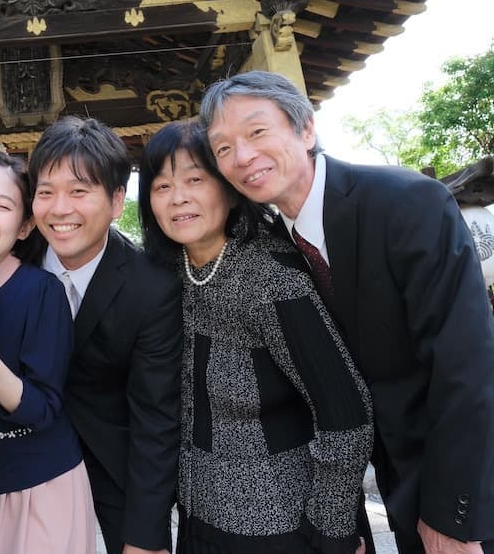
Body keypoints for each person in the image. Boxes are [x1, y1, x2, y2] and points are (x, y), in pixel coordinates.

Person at [200, 70, 494, 554]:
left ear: (306, 129)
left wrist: (451, 517)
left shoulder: (406, 203)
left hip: (468, 483)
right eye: (223, 147)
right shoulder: (272, 247)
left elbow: (467, 365)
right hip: (399, 485)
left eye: (257, 131)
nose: (243, 156)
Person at [138, 119, 373, 553]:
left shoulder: (269, 278)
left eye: (195, 180)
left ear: (230, 190)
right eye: (162, 186)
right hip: (198, 517)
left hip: (284, 524)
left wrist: (333, 526)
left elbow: (346, 412)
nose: (178, 198)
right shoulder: (166, 275)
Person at [28, 116, 183, 554]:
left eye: (79, 191)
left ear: (117, 201)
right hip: (21, 462)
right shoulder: (10, 264)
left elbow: (156, 417)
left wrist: (145, 536)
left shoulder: (151, 287)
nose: (60, 209)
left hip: (112, 462)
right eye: (46, 192)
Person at [0, 151, 97, 554]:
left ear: (26, 225)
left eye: (3, 206)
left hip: (35, 488)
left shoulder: (42, 292)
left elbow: (43, 407)